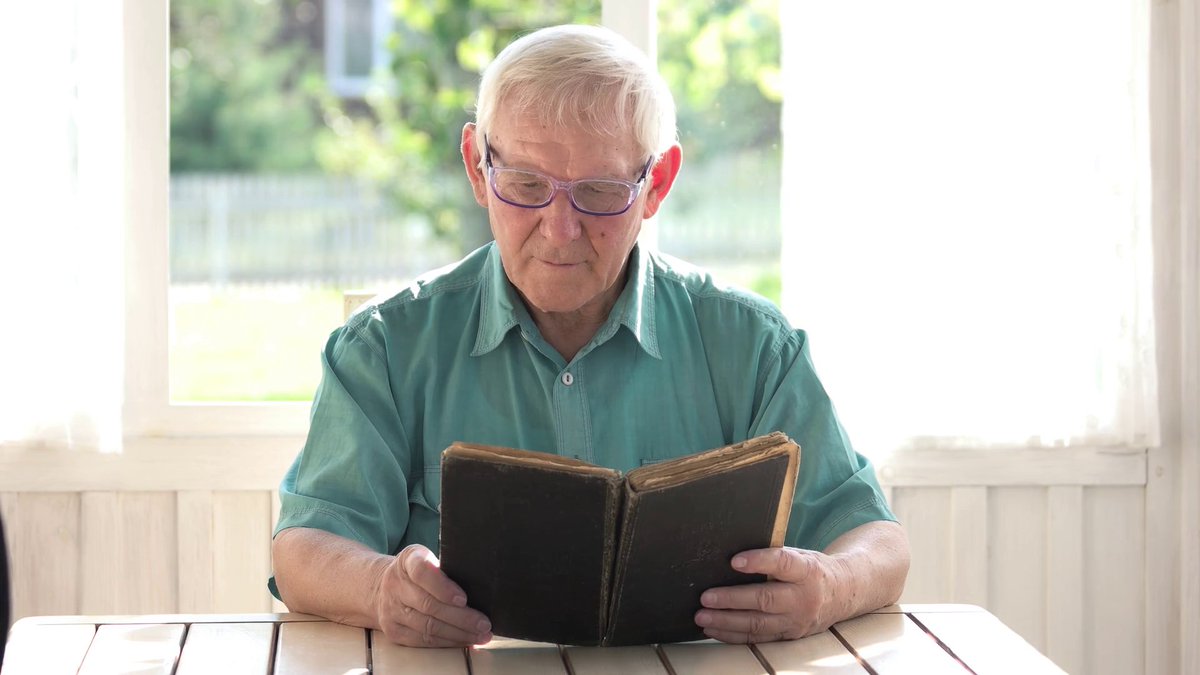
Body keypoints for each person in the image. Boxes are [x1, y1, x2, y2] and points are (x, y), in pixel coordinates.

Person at [270, 23, 909, 648]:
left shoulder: (754, 347)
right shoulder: (382, 348)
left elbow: (878, 543)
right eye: (525, 186)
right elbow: (303, 551)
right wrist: (383, 588)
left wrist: (827, 588)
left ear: (655, 184)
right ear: (476, 166)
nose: (560, 229)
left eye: (600, 193)